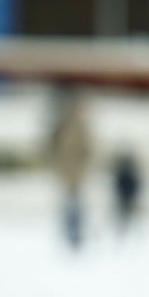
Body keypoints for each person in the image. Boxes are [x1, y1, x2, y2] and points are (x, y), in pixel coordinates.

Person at [52, 93, 91, 249]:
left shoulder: (77, 124)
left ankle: (74, 224)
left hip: (73, 171)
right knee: (72, 202)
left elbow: (87, 148)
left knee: (73, 202)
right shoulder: (66, 124)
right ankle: (73, 224)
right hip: (69, 170)